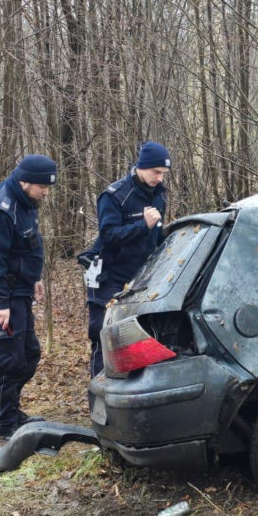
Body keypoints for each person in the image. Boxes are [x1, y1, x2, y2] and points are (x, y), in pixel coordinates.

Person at [0, 154, 57, 442]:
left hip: (18, 292)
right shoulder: (0, 208)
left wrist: (34, 279)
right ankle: (3, 425)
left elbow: (25, 247)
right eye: (42, 187)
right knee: (5, 361)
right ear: (25, 181)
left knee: (29, 353)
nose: (46, 192)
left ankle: (9, 409)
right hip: (0, 296)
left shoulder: (25, 203)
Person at [85, 141, 171, 376]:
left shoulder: (159, 195)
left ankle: (131, 393)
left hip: (141, 277)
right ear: (141, 167)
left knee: (138, 335)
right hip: (107, 275)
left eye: (163, 174)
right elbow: (109, 237)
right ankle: (101, 396)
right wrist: (142, 225)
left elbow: (156, 236)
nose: (160, 178)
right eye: (156, 172)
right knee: (104, 334)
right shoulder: (114, 196)